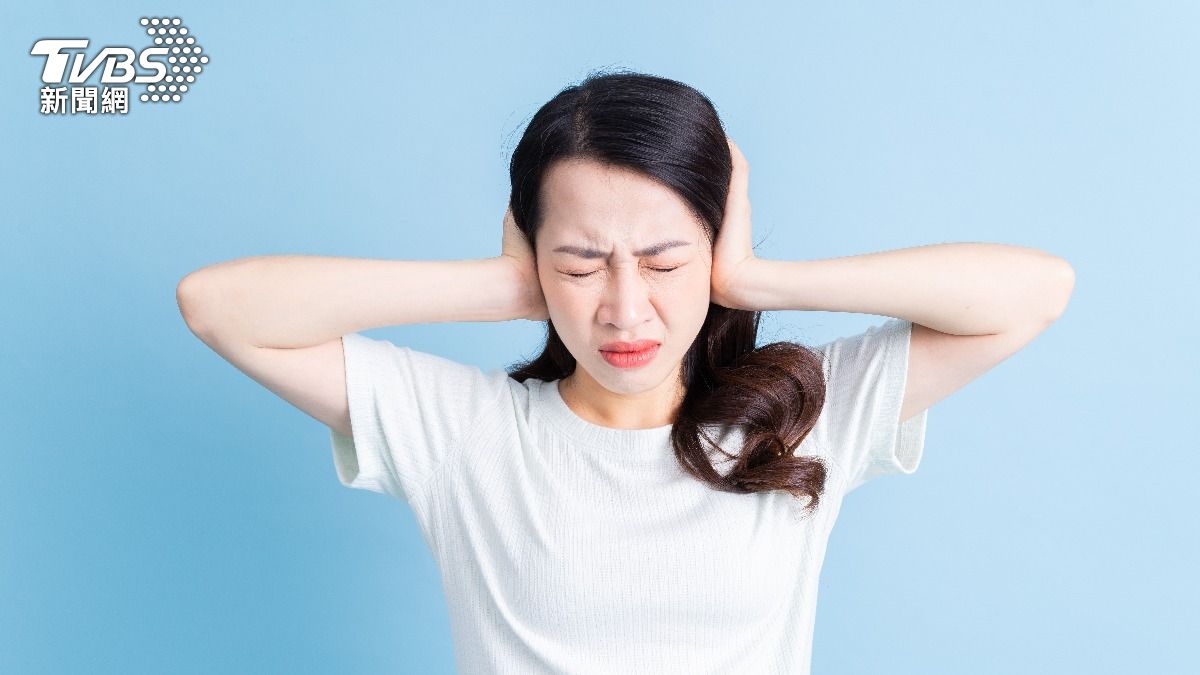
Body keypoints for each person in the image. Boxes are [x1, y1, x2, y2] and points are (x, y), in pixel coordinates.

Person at [176, 70, 1074, 674]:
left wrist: (758, 278)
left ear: (715, 245)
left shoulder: (799, 415)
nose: (624, 307)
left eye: (665, 260)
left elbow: (1035, 290)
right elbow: (217, 305)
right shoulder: (466, 432)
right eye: (578, 264)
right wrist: (496, 287)